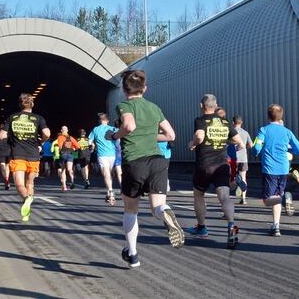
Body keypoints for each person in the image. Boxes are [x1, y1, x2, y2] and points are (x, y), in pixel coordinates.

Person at [111, 69, 184, 268]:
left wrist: (116, 136)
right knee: (157, 207)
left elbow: (129, 126)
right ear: (145, 88)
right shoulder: (154, 107)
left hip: (135, 162)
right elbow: (170, 135)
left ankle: (133, 254)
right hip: (157, 161)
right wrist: (150, 135)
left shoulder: (124, 105)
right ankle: (166, 211)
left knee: (130, 209)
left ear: (125, 90)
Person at [188, 94, 244, 248]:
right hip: (222, 165)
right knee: (225, 197)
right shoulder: (225, 122)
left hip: (204, 165)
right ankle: (232, 226)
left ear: (201, 106)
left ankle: (202, 228)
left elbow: (199, 136)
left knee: (199, 194)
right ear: (216, 105)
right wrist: (230, 143)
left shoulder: (200, 120)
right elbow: (239, 142)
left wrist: (193, 143)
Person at [253, 104, 299, 237]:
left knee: (267, 200)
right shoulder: (287, 131)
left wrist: (257, 150)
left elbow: (256, 149)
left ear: (268, 116)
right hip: (283, 169)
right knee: (276, 195)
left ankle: (284, 199)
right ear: (281, 116)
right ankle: (276, 226)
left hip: (269, 169)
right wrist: (287, 149)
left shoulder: (263, 130)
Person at [0, 93, 50, 222]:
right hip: (33, 155)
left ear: (20, 104)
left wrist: (11, 137)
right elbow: (47, 134)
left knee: (19, 184)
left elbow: (1, 136)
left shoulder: (12, 117)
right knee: (30, 183)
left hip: (17, 154)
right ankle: (27, 211)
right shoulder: (38, 118)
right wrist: (41, 142)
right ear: (32, 104)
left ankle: (26, 198)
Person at [90, 112, 122, 205]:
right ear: (107, 120)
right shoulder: (113, 129)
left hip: (102, 154)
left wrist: (92, 145)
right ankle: (110, 191)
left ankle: (110, 192)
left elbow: (90, 141)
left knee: (106, 173)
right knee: (109, 172)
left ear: (99, 120)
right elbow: (119, 140)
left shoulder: (95, 129)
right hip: (112, 154)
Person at [231, 115, 253, 205]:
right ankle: (243, 198)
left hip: (233, 158)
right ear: (241, 122)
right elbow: (251, 145)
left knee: (231, 177)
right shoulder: (245, 132)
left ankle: (236, 183)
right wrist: (244, 147)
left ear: (233, 123)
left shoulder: (231, 132)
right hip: (243, 158)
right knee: (244, 177)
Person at [53, 126, 78, 191]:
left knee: (63, 170)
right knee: (70, 169)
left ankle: (64, 186)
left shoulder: (60, 137)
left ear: (61, 130)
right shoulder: (71, 138)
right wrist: (73, 148)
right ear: (67, 130)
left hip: (63, 155)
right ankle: (72, 180)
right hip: (70, 154)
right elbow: (78, 146)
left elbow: (60, 146)